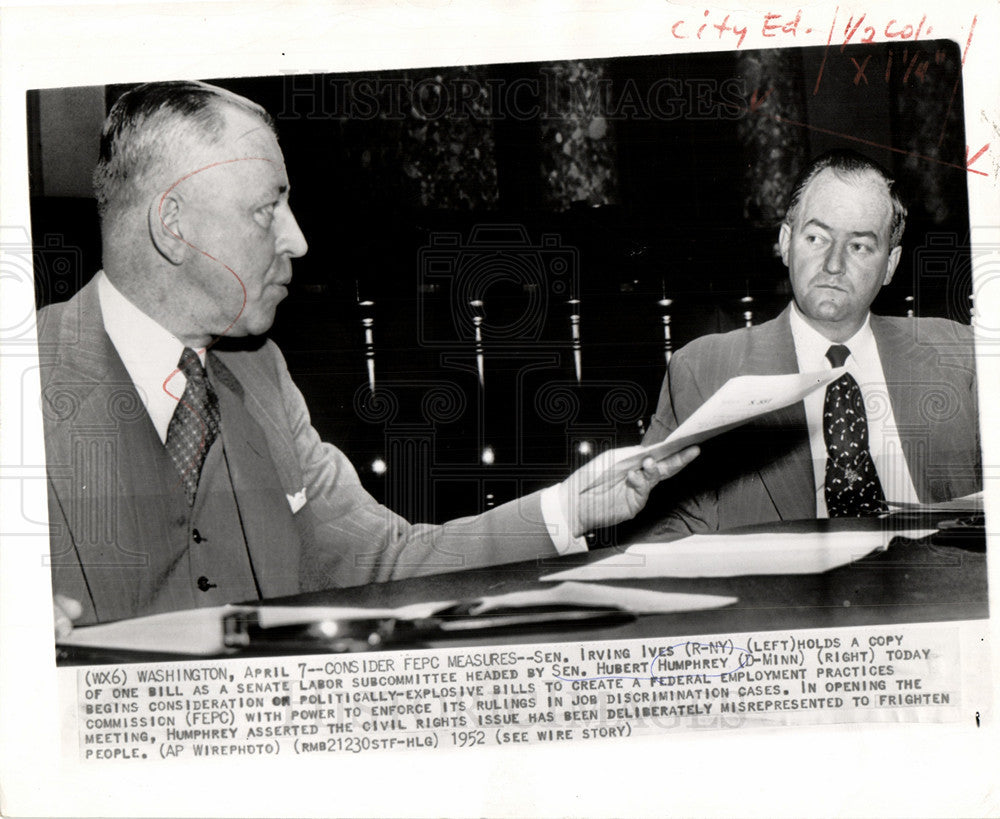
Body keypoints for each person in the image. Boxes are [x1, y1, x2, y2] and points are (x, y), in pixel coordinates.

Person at [40, 80, 699, 636]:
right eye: (268, 209)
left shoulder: (259, 372)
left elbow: (383, 562)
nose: (297, 240)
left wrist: (571, 507)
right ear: (174, 226)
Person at [640, 149, 979, 534]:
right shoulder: (704, 369)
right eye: (817, 237)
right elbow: (661, 531)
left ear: (890, 265)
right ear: (786, 242)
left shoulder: (959, 354)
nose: (833, 265)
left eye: (859, 246)